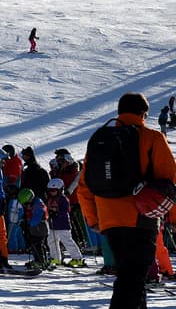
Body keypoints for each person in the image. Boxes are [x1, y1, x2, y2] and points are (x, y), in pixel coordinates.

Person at [77, 92, 176, 309]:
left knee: (131, 278)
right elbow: (170, 183)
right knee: (131, 280)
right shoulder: (152, 138)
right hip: (142, 218)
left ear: (120, 112)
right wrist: (174, 219)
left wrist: (95, 220)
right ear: (144, 113)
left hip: (110, 221)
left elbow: (83, 187)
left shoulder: (101, 140)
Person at [45, 178, 84, 267]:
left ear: (60, 190)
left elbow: (65, 210)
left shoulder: (63, 199)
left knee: (67, 241)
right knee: (51, 241)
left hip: (63, 225)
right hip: (53, 225)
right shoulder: (50, 199)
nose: (52, 192)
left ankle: (77, 258)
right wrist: (49, 213)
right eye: (50, 190)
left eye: (54, 190)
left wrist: (56, 213)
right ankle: (55, 258)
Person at [17, 188, 50, 270]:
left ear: (30, 199)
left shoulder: (38, 204)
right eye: (23, 205)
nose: (25, 206)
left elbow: (37, 217)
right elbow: (27, 214)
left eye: (26, 204)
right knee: (33, 244)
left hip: (41, 228)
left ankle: (41, 261)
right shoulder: (31, 204)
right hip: (34, 228)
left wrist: (28, 223)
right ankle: (38, 260)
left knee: (38, 244)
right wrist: (23, 220)